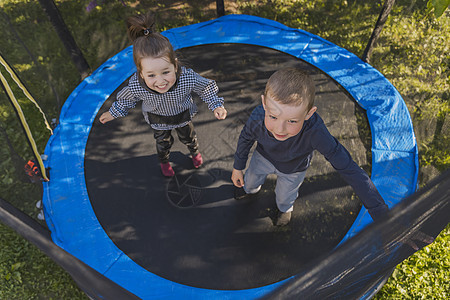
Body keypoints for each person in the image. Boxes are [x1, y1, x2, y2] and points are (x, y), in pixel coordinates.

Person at [231, 67, 389, 226]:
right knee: (250, 179)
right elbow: (245, 138)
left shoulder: (315, 132)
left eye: (292, 121)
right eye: (273, 116)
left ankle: (285, 208)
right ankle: (250, 190)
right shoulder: (257, 117)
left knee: (286, 195)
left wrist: (380, 211)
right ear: (264, 103)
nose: (280, 129)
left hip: (294, 168)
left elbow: (348, 167)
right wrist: (238, 167)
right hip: (263, 157)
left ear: (308, 114)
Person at [99, 12, 227, 177]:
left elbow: (205, 87)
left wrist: (216, 104)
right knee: (162, 144)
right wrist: (113, 112)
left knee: (189, 138)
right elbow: (126, 100)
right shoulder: (137, 85)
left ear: (174, 65)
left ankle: (194, 152)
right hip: (158, 120)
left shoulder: (186, 78)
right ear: (142, 73)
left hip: (183, 116)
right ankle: (164, 161)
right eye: (151, 75)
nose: (160, 81)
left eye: (165, 72)